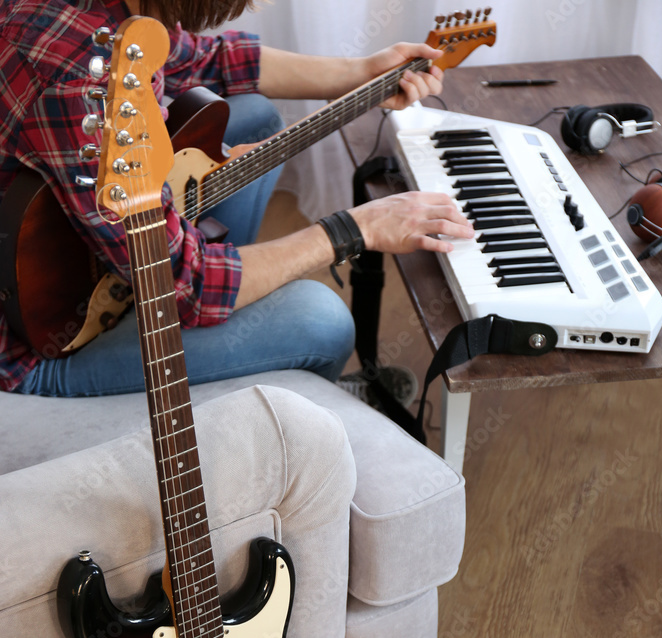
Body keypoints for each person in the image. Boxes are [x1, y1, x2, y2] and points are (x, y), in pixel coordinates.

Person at [0, 0, 474, 396]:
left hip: (71, 248)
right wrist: (356, 229)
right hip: (37, 351)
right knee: (323, 321)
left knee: (253, 114)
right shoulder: (80, 84)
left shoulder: (105, 15)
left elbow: (207, 59)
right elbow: (188, 285)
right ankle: (282, 397)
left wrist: (362, 71)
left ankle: (231, 353)